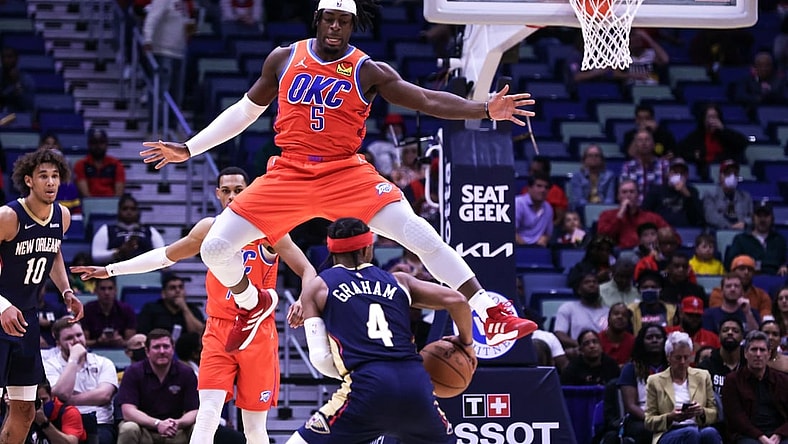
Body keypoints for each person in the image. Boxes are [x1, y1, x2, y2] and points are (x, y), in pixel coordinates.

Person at [140, 0, 537, 352]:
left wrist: (484, 109)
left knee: (419, 234)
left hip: (345, 171)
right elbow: (244, 112)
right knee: (213, 250)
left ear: (352, 24)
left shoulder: (368, 70)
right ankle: (252, 303)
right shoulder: (283, 58)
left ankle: (487, 307)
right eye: (329, 20)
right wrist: (189, 148)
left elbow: (428, 99)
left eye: (343, 21)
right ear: (317, 20)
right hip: (290, 171)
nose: (335, 28)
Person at [71, 166, 317, 444]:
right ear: (217, 194)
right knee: (208, 414)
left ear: (250, 191)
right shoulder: (209, 228)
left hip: (258, 331)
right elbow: (165, 256)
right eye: (226, 191)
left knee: (254, 428)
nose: (232, 196)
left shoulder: (269, 228)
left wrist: (303, 300)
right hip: (218, 330)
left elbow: (308, 270)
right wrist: (111, 270)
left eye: (239, 190)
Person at [285, 217, 476, 443]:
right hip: (415, 383)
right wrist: (467, 344)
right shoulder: (400, 281)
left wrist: (363, 368)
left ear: (331, 249)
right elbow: (458, 300)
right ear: (368, 247)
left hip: (367, 385)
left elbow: (320, 360)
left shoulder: (318, 287)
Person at [0, 149, 84, 444]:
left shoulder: (62, 216)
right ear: (29, 181)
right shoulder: (8, 216)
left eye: (55, 176)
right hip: (1, 316)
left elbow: (54, 250)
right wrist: (2, 305)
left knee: (24, 412)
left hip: (26, 321)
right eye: (43, 176)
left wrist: (66, 290)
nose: (51, 182)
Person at [116, 329, 198, 444]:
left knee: (198, 428)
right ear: (147, 351)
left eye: (166, 346)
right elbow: (128, 411)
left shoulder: (186, 373)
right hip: (144, 429)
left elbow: (194, 411)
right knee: (128, 428)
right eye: (156, 347)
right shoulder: (133, 372)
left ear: (173, 349)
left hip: (175, 430)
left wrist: (178, 423)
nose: (162, 351)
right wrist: (157, 423)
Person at [44, 317, 118, 444]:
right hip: (64, 421)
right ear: (58, 343)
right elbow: (61, 394)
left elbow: (104, 396)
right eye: (69, 338)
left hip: (100, 422)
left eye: (79, 335)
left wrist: (69, 400)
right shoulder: (50, 365)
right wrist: (73, 358)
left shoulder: (104, 363)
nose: (76, 341)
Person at [644, 331, 722, 444]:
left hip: (697, 427)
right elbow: (649, 421)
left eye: (686, 357)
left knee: (710, 432)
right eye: (678, 358)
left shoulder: (703, 376)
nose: (683, 362)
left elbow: (714, 413)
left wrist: (701, 412)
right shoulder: (655, 381)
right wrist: (670, 417)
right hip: (668, 432)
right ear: (668, 357)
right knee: (691, 433)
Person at [722, 330, 788, 444]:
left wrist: (779, 434)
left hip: (778, 433)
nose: (758, 354)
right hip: (747, 434)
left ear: (769, 354)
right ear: (745, 353)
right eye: (753, 349)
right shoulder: (732, 380)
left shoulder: (782, 380)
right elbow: (736, 417)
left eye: (762, 350)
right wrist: (760, 437)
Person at [618, 324, 668, 444]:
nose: (654, 340)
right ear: (642, 342)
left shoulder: (673, 367)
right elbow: (631, 406)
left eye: (658, 337)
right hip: (640, 419)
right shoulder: (630, 368)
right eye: (649, 337)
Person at [676, 104, 748, 182]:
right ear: (704, 119)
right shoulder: (696, 136)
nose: (712, 121)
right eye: (709, 117)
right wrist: (695, 156)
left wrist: (723, 129)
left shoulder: (726, 134)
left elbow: (742, 143)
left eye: (715, 117)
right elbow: (680, 150)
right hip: (706, 172)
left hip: (727, 171)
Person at [143, 0, 193, 108]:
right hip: (163, 52)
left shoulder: (186, 4)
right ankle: (158, 123)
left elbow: (188, 23)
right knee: (162, 91)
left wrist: (191, 35)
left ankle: (172, 123)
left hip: (180, 53)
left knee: (177, 95)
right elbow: (152, 17)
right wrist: (148, 39)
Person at [91, 194, 166, 265]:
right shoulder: (107, 229)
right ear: (118, 211)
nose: (129, 212)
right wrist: (118, 252)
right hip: (114, 272)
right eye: (125, 208)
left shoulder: (149, 230)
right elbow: (96, 256)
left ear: (138, 211)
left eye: (133, 209)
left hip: (146, 270)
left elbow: (162, 255)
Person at [597, 179, 670, 250]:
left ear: (638, 196)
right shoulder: (607, 215)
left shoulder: (651, 217)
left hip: (646, 254)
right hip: (618, 254)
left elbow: (672, 235)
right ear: (618, 196)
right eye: (624, 192)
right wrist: (620, 215)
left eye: (632, 192)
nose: (628, 195)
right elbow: (602, 237)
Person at [725, 201, 788, 276]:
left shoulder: (779, 240)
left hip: (775, 279)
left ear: (772, 218)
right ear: (753, 218)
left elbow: (785, 260)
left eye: (766, 215)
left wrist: (784, 266)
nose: (762, 219)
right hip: (748, 279)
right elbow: (731, 263)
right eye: (759, 215)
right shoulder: (741, 239)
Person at [554, 271, 610, 352]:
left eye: (595, 282)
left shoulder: (608, 311)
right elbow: (559, 334)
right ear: (579, 290)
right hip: (578, 351)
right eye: (587, 282)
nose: (592, 284)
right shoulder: (568, 308)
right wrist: (582, 344)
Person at [641, 158, 705, 228]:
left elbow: (698, 218)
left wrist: (686, 194)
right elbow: (644, 212)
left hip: (685, 229)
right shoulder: (656, 190)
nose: (678, 176)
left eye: (682, 173)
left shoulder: (692, 191)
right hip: (661, 230)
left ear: (686, 176)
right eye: (675, 172)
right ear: (669, 174)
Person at [136, 272, 205, 335]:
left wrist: (185, 309)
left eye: (181, 287)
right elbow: (143, 334)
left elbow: (199, 334)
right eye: (172, 288)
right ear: (163, 293)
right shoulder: (151, 309)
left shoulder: (193, 309)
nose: (177, 290)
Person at [81, 277, 137, 348]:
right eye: (102, 289)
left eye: (110, 288)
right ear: (96, 290)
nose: (106, 292)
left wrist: (121, 342)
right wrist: (98, 341)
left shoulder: (127, 310)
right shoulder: (87, 310)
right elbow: (83, 342)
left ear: (116, 290)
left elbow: (132, 342)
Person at [732, 51, 788, 121]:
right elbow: (740, 96)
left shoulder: (780, 81)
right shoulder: (746, 81)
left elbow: (785, 97)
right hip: (754, 114)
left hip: (778, 113)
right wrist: (758, 98)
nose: (764, 68)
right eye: (760, 65)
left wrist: (769, 93)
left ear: (772, 67)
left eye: (767, 65)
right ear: (754, 67)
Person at [620, 129, 671, 201]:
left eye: (647, 140)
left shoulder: (664, 165)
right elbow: (623, 193)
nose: (644, 143)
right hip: (635, 209)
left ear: (653, 144)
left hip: (658, 209)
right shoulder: (628, 167)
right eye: (640, 140)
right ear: (636, 145)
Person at [698, 317, 745, 396]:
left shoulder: (748, 365)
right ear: (719, 336)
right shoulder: (706, 366)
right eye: (725, 330)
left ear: (742, 337)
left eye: (735, 331)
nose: (730, 333)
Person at [73, 129, 126, 198]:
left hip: (112, 205)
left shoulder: (116, 164)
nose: (98, 146)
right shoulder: (80, 165)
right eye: (94, 142)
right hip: (88, 206)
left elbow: (119, 194)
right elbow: (85, 194)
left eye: (101, 142)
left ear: (107, 145)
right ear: (89, 145)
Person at [702, 160, 753, 231]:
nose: (732, 177)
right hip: (719, 232)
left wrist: (745, 223)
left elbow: (752, 217)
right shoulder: (710, 195)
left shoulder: (745, 196)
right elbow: (710, 217)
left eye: (735, 174)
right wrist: (730, 226)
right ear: (720, 176)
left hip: (741, 233)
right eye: (728, 173)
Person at [568, 144, 616, 213]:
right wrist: (591, 209)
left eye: (597, 155)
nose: (594, 158)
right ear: (585, 159)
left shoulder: (609, 176)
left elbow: (610, 199)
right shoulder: (577, 176)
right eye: (590, 156)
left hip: (604, 210)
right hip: (583, 211)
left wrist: (602, 209)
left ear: (601, 159)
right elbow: (578, 200)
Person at [521, 156, 569, 224]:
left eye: (535, 171)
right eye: (530, 170)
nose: (531, 174)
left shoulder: (556, 191)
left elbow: (559, 219)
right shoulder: (525, 190)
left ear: (545, 173)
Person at [628, 270, 677, 335]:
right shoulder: (631, 310)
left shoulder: (672, 310)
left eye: (653, 287)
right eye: (645, 287)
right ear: (639, 290)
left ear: (660, 289)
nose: (649, 290)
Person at [514, 171, 553, 246]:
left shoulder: (548, 208)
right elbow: (510, 232)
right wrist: (526, 248)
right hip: (517, 248)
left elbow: (547, 234)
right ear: (529, 188)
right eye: (539, 186)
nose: (543, 190)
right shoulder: (518, 203)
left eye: (546, 187)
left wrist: (544, 239)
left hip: (539, 248)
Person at [0, 46, 35, 112]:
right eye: (3, 57)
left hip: (18, 117)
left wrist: (17, 83)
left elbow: (28, 105)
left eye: (9, 57)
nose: (6, 60)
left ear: (17, 59)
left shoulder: (26, 79)